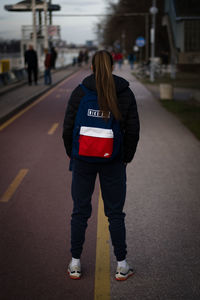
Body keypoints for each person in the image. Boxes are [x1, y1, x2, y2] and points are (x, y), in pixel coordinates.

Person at [62, 50, 140, 281]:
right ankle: (122, 265)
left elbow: (67, 128)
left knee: (80, 211)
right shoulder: (125, 93)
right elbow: (133, 131)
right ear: (113, 66)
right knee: (115, 213)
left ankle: (75, 263)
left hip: (83, 160)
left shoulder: (80, 91)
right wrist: (125, 157)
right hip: (113, 161)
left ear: (92, 67)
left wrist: (73, 154)